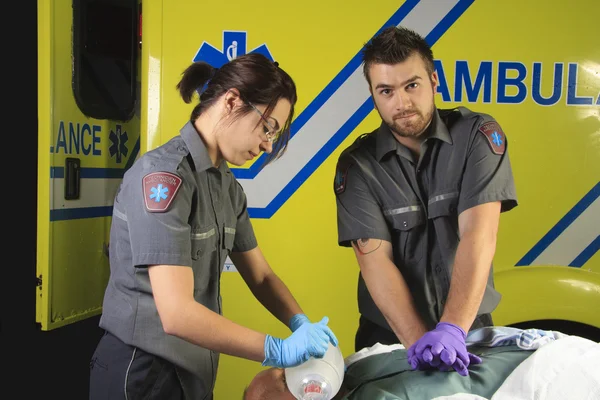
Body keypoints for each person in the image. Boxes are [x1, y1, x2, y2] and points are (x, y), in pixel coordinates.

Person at [89, 53, 338, 400]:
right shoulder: (164, 178)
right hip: (144, 371)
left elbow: (261, 276)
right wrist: (276, 349)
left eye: (274, 135)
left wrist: (302, 323)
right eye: (268, 128)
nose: (268, 144)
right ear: (232, 101)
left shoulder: (226, 188)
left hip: (192, 373)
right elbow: (176, 314)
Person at [333, 26, 517, 376]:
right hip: (390, 339)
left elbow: (478, 236)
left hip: (470, 330)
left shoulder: (477, 138)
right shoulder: (356, 166)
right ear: (373, 94)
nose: (401, 103)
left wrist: (452, 330)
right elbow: (375, 263)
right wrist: (419, 344)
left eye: (411, 85)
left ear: (434, 80)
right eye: (386, 91)